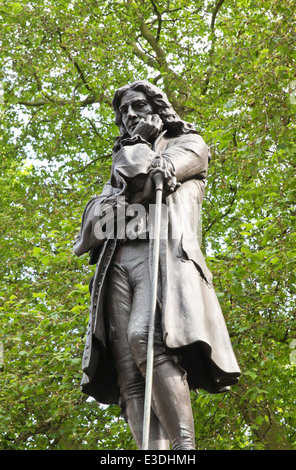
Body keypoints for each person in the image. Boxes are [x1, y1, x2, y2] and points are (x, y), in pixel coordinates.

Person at [74, 81, 241, 450]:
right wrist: (119, 197)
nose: (130, 116)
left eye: (137, 107)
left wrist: (137, 151)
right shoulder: (120, 167)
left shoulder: (189, 145)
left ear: (158, 109)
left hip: (161, 255)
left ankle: (183, 450)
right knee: (127, 372)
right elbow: (90, 230)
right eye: (123, 113)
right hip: (116, 262)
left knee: (146, 338)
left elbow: (149, 183)